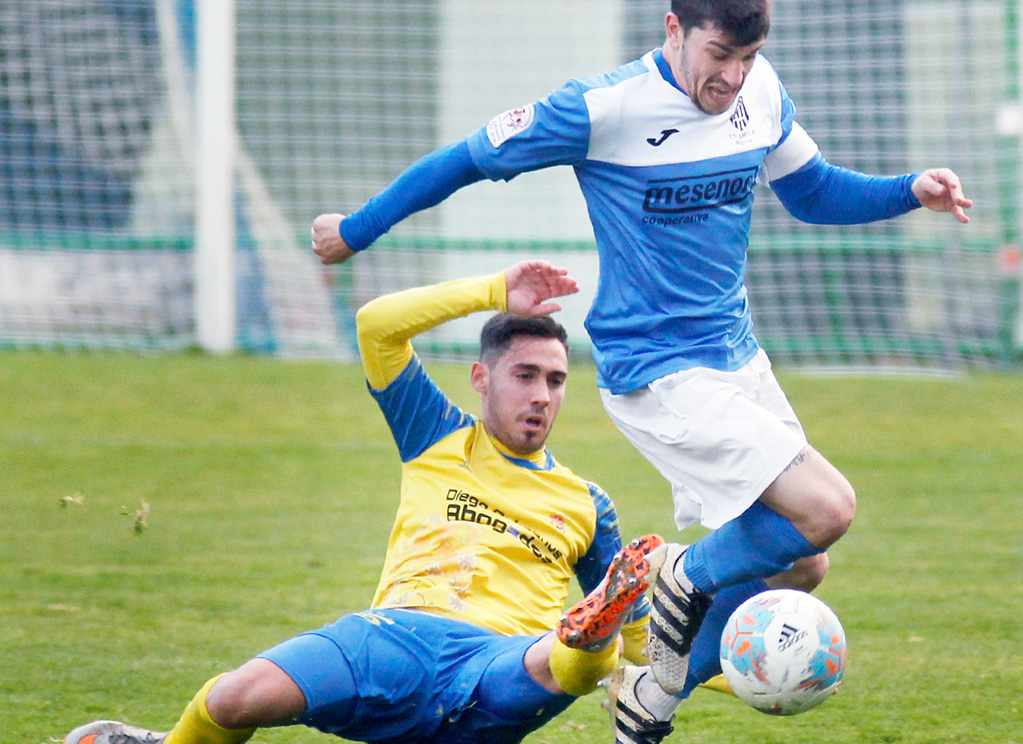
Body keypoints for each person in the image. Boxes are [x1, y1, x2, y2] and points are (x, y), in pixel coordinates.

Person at [309, 0, 974, 742]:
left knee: (799, 563)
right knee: (827, 510)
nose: (732, 77)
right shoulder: (603, 108)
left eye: (750, 57)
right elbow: (465, 159)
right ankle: (676, 577)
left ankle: (652, 693)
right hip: (658, 373)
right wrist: (355, 230)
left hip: (738, 360)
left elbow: (814, 192)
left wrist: (908, 191)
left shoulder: (760, 93)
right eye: (719, 54)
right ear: (674, 30)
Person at [61, 259, 664, 744]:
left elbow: (637, 631)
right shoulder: (436, 433)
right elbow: (378, 324)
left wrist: (671, 683)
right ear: (482, 379)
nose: (541, 395)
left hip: (496, 662)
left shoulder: (587, 503)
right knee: (233, 698)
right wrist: (492, 290)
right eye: (525, 375)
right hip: (392, 638)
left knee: (567, 653)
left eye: (556, 381)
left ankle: (583, 642)